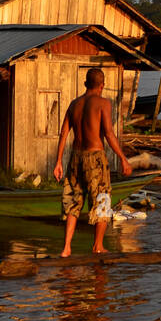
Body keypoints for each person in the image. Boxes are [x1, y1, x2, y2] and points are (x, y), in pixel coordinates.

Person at [52, 68, 132, 256]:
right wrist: (123, 158)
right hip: (95, 157)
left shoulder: (74, 104)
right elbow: (109, 134)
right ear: (102, 86)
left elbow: (63, 134)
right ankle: (97, 246)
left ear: (86, 84)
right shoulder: (103, 103)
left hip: (75, 157)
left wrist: (58, 162)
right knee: (102, 200)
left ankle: (66, 248)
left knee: (73, 201)